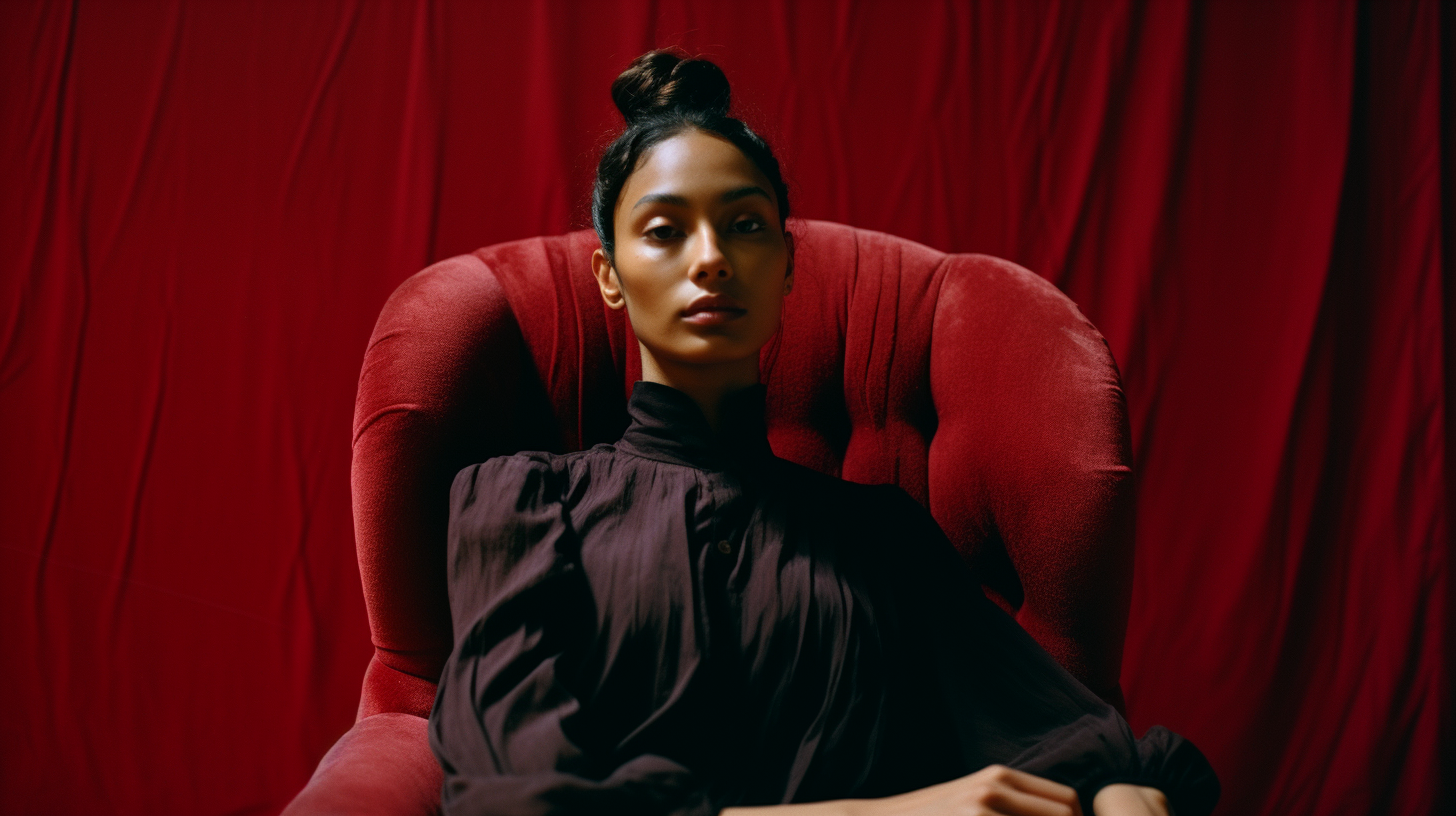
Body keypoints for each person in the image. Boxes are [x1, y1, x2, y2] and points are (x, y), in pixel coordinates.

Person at [427, 50, 1219, 816]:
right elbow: (519, 798)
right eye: (664, 230)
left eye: (744, 226)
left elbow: (1061, 734)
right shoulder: (526, 507)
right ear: (609, 276)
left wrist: (1124, 790)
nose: (711, 259)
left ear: (787, 265)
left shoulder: (878, 535)